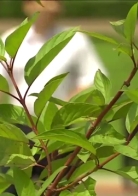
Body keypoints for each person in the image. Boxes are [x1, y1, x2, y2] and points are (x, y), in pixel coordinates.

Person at [0, 0, 105, 194]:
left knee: (58, 186)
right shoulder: (11, 40)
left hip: (58, 127)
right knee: (11, 187)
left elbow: (92, 80)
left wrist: (65, 107)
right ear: (27, 5)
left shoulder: (74, 40)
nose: (48, 6)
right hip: (18, 127)